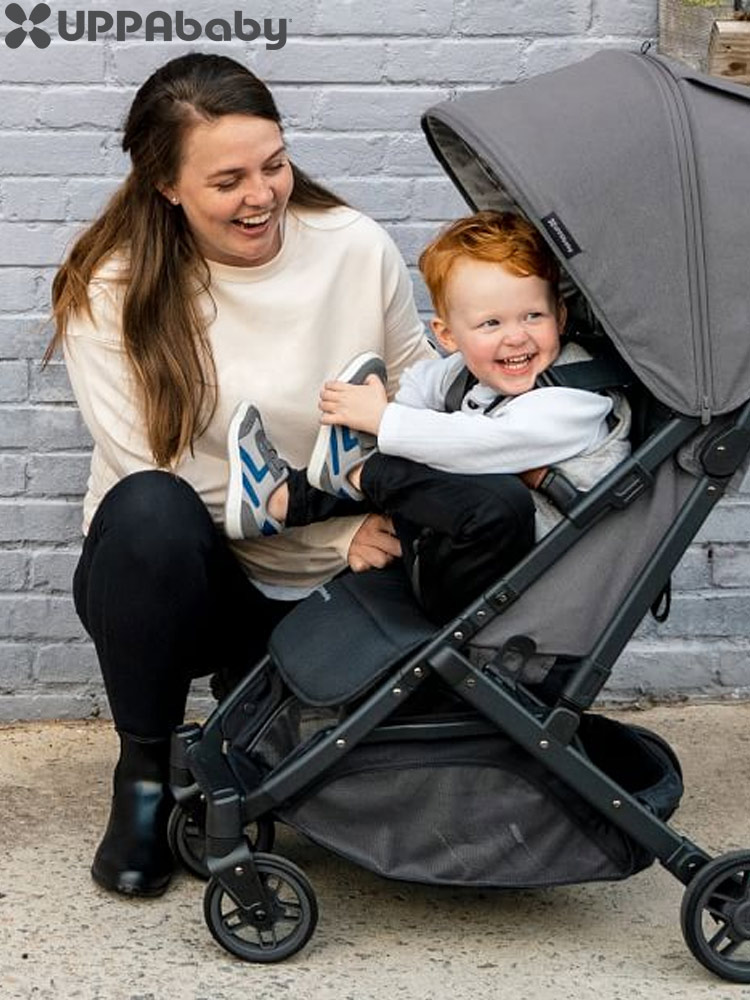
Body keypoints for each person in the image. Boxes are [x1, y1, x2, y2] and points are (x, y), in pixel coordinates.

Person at [47, 53, 434, 898]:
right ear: (166, 185)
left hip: (349, 581)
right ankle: (145, 775)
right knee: (147, 507)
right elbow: (153, 471)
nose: (262, 195)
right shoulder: (108, 291)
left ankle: (258, 705)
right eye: (228, 179)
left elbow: (414, 386)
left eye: (275, 163)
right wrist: (332, 523)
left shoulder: (354, 246)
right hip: (193, 585)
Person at [225, 211, 631, 622]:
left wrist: (384, 423)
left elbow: (483, 442)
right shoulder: (468, 370)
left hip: (517, 576)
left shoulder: (575, 400)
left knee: (489, 495)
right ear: (448, 336)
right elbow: (425, 381)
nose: (515, 336)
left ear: (560, 316)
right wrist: (390, 414)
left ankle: (323, 484)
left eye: (533, 316)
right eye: (491, 323)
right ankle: (277, 496)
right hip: (447, 547)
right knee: (418, 446)